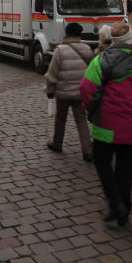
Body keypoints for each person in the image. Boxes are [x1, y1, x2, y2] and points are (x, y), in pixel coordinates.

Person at [79, 22, 132, 227]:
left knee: (102, 163)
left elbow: (86, 89)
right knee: (126, 167)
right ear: (131, 40)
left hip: (106, 126)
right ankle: (125, 207)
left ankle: (116, 203)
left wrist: (92, 110)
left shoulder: (100, 61)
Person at [44, 23, 95, 162]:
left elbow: (52, 73)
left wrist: (49, 89)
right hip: (80, 92)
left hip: (63, 92)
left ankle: (57, 143)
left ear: (66, 33)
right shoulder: (86, 48)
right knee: (81, 120)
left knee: (60, 118)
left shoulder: (60, 50)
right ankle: (87, 150)